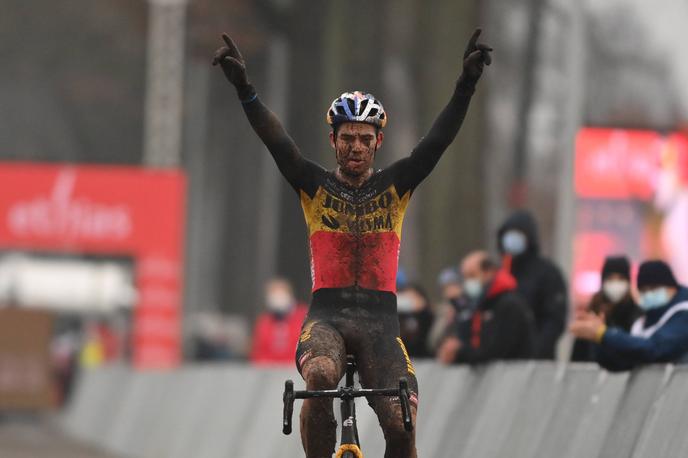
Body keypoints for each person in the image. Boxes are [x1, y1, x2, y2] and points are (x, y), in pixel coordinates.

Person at [213, 27, 492, 458]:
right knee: (322, 376)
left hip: (382, 326)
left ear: (378, 141)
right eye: (347, 138)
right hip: (326, 318)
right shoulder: (312, 184)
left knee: (402, 423)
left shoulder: (397, 185)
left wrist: (465, 85)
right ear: (333, 140)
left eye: (365, 138)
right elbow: (276, 140)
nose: (356, 147)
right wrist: (245, 88)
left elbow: (438, 141)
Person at [570, 260, 688, 371]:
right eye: (643, 290)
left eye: (654, 288)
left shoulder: (683, 314)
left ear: (673, 287)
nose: (649, 294)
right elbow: (623, 362)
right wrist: (598, 340)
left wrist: (604, 334)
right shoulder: (642, 323)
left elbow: (654, 349)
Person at [437, 251, 533, 364]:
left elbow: (495, 350)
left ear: (489, 272)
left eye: (472, 275)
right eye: (465, 277)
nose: (468, 282)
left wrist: (459, 351)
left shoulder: (509, 304)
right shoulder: (479, 304)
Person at [497, 209, 568, 359]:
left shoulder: (547, 273)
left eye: (518, 234)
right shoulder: (501, 274)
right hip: (503, 364)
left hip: (537, 364)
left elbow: (555, 320)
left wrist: (535, 352)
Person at [571, 256, 642, 362]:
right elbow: (577, 357)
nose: (616, 284)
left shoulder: (638, 316)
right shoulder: (591, 314)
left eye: (621, 279)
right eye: (610, 279)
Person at [250, 278, 308, 365]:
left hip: (296, 369)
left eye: (280, 294)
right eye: (273, 294)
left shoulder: (304, 316)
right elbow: (257, 351)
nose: (277, 299)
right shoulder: (264, 322)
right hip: (268, 372)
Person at [396, 283, 434, 358]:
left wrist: (422, 310)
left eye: (413, 298)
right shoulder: (403, 317)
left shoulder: (427, 315)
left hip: (425, 357)